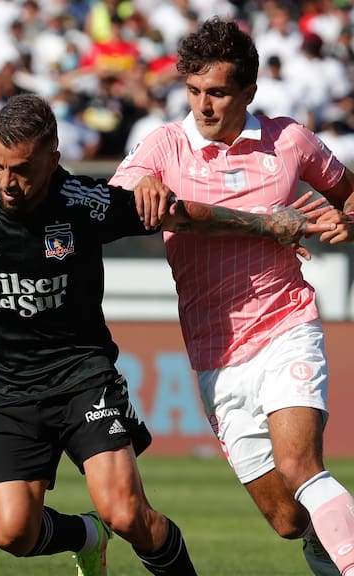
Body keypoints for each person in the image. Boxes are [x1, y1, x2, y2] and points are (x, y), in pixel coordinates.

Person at [0, 93, 332, 576]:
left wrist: (265, 226)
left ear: (53, 157)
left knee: (128, 514)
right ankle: (86, 538)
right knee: (11, 533)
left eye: (21, 169)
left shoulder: (87, 204)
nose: (7, 182)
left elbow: (184, 215)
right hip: (2, 390)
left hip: (82, 378)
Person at [109, 17, 354, 576]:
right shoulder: (163, 146)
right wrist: (141, 188)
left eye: (218, 92)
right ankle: (331, 537)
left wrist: (351, 218)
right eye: (194, 91)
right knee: (289, 520)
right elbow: (128, 206)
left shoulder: (289, 140)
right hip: (215, 355)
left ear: (248, 92)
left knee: (300, 463)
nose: (204, 105)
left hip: (286, 325)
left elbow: (350, 191)